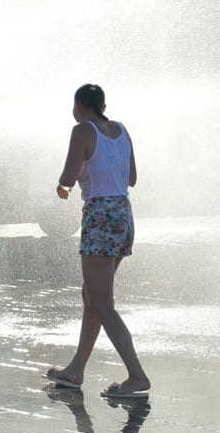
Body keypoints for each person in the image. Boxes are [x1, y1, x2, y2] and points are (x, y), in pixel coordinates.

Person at [45, 84, 151, 399]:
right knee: (92, 296)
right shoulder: (120, 129)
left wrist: (64, 185)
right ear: (102, 104)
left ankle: (136, 375)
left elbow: (67, 176)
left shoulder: (81, 131)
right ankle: (75, 371)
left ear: (79, 105)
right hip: (123, 215)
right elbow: (131, 178)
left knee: (102, 302)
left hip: (100, 216)